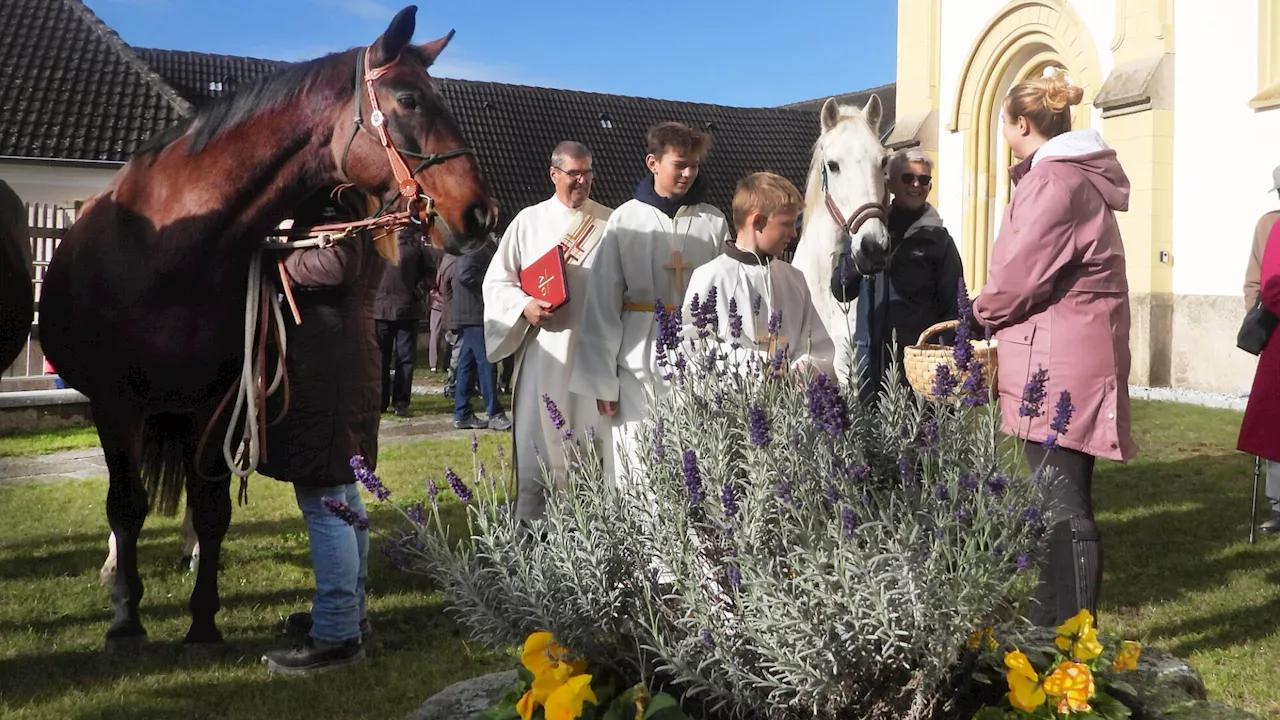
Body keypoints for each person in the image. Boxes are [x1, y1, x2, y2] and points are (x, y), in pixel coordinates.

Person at [970, 68, 1137, 628]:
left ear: (1020, 124)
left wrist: (978, 313)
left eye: (1005, 124)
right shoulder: (1070, 177)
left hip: (1059, 359)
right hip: (1070, 349)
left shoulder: (1054, 183)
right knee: (1058, 496)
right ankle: (1060, 626)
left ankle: (1066, 634)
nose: (1005, 134)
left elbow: (1022, 276)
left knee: (1061, 500)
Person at [260, 187, 385, 674]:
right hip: (346, 353)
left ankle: (336, 635)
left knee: (324, 496)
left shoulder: (341, 198)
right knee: (342, 493)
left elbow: (336, 265)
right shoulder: (367, 202)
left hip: (328, 362)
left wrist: (272, 260)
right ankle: (349, 614)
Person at [569, 122, 731, 476]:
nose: (688, 173)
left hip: (696, 358)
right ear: (653, 163)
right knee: (636, 461)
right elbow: (602, 300)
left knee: (695, 457)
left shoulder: (714, 222)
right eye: (679, 164)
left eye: (695, 165)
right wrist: (601, 380)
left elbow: (726, 295)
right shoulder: (626, 219)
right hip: (636, 359)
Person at [483, 141, 613, 522]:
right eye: (573, 174)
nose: (582, 181)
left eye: (587, 173)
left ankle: (591, 535)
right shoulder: (528, 221)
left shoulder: (611, 222)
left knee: (593, 450)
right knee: (537, 441)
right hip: (545, 351)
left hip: (594, 351)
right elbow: (496, 283)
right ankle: (535, 531)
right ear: (554, 174)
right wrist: (525, 306)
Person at [831, 149, 963, 404]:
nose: (915, 185)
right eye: (907, 178)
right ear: (888, 183)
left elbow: (953, 309)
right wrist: (858, 263)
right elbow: (841, 289)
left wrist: (946, 365)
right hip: (869, 365)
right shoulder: (867, 232)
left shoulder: (938, 240)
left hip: (918, 368)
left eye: (923, 180)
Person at [682, 172, 834, 374]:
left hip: (791, 402)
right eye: (787, 224)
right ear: (758, 222)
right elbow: (693, 348)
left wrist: (803, 368)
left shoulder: (794, 279)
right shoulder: (711, 277)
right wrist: (760, 366)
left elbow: (818, 346)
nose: (794, 233)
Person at [1242, 166, 1280, 534]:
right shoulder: (1271, 225)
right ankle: (1279, 505)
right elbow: (1261, 284)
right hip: (1277, 336)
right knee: (1275, 425)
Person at [374, 226, 435, 417]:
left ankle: (401, 402)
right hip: (380, 309)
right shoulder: (378, 237)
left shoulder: (417, 240)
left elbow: (431, 272)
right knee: (380, 359)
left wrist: (417, 292)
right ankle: (380, 401)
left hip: (407, 310)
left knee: (405, 359)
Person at [453, 237, 512, 431]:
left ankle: (462, 413)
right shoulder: (474, 245)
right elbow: (465, 275)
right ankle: (495, 413)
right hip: (475, 313)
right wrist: (492, 286)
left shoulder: (475, 244)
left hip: (471, 313)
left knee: (467, 364)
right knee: (487, 362)